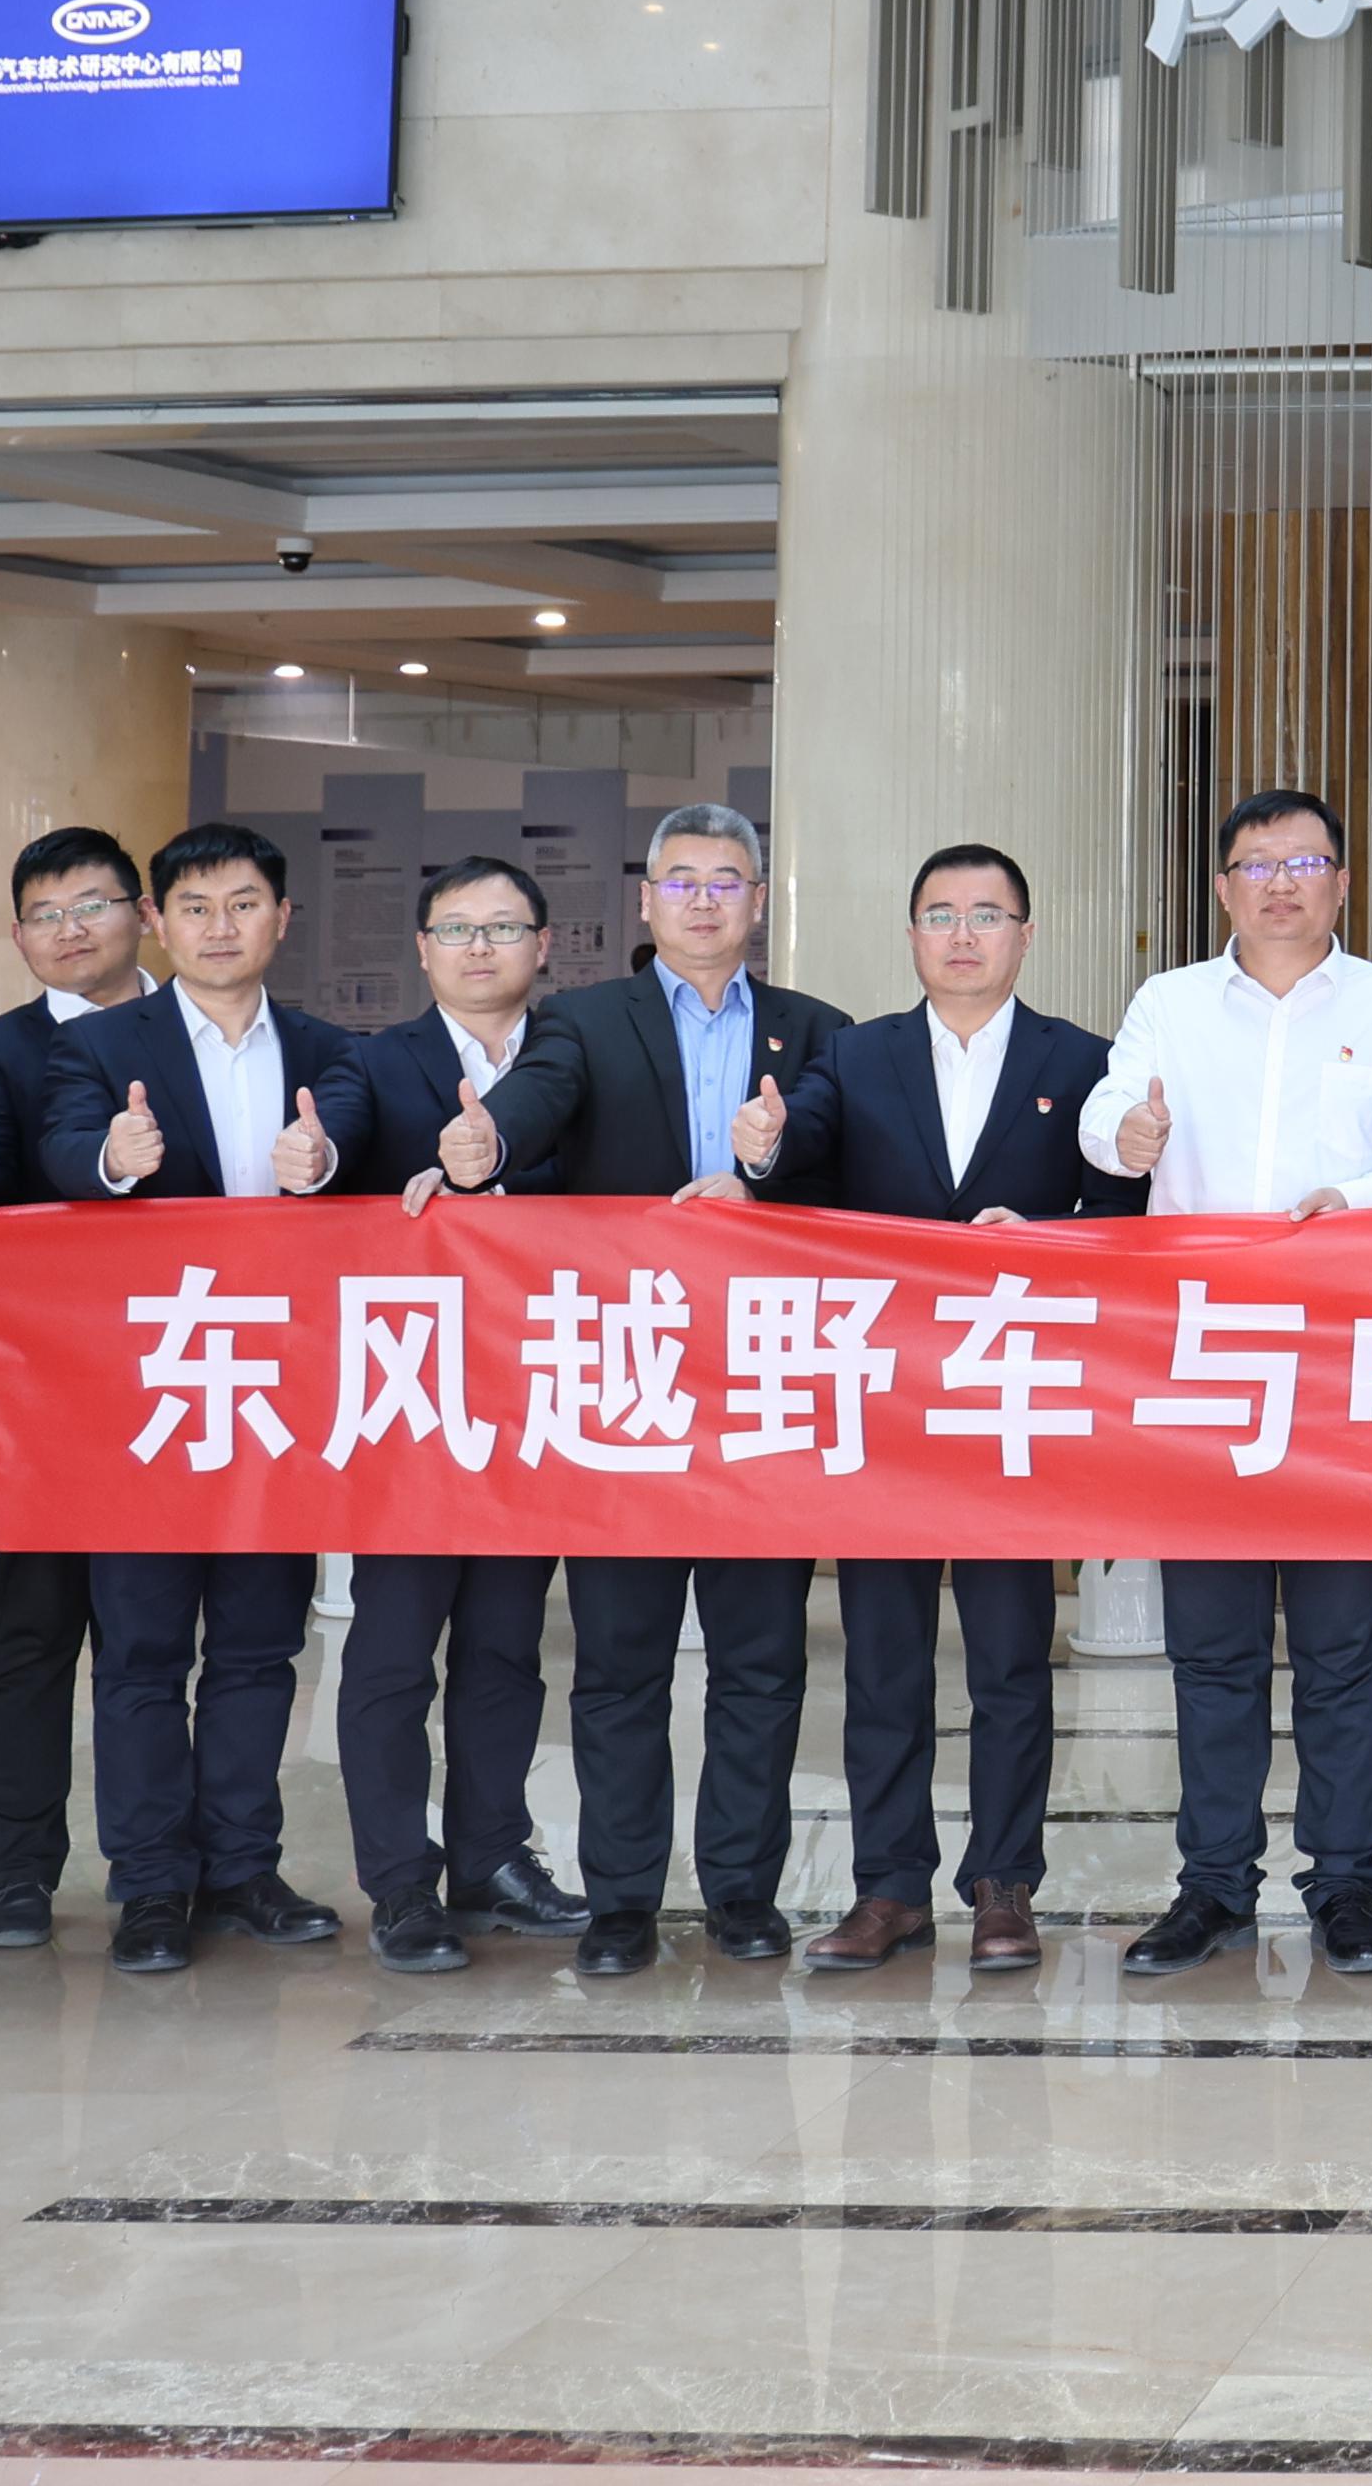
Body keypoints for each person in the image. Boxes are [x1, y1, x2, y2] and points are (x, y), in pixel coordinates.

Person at [1087, 787, 1372, 1977]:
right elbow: (1110, 1106)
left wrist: (1356, 1199)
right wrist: (1124, 1138)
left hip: (1339, 1365)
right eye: (1256, 864)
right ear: (1222, 887)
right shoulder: (1168, 1004)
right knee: (1210, 1649)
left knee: (1341, 1646)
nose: (1280, 883)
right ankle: (1212, 1884)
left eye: (1305, 862)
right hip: (1204, 1363)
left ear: (1342, 882)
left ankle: (1346, 1885)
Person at [44, 820, 378, 1977]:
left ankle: (241, 1867)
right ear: (156, 922)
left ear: (282, 918)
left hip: (276, 1395)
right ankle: (149, 1883)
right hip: (148, 1392)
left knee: (258, 1643)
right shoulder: (99, 1047)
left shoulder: (331, 1052)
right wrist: (114, 1159)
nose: (220, 926)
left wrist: (320, 1166)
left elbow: (357, 1152)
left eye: (243, 903)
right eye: (194, 906)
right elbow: (60, 1151)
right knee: (140, 1649)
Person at [802, 842, 1140, 1978]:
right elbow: (801, 1168)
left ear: (1025, 936)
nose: (962, 933)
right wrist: (760, 1155)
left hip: (1012, 1403)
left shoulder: (1079, 1059)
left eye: (987, 914)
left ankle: (1004, 1884)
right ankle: (888, 1887)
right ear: (911, 935)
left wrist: (1045, 1238)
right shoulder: (854, 1054)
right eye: (940, 913)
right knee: (884, 1662)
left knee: (1009, 1660)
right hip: (886, 1407)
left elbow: (1121, 1212)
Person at [533, 801, 855, 1979]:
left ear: (758, 901)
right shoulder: (577, 1021)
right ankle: (621, 1898)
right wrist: (481, 1151)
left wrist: (762, 1181)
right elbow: (532, 1117)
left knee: (760, 1660)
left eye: (727, 880)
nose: (704, 900)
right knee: (619, 1660)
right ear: (646, 899)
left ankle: (741, 1890)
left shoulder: (820, 1032)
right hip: (630, 1384)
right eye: (682, 879)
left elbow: (851, 1174)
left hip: (765, 1386)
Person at [328, 857, 595, 1971]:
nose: (479, 947)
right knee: (394, 1650)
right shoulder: (371, 1062)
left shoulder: (579, 1055)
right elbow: (332, 1159)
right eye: (456, 928)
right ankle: (401, 1882)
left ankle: (491, 1857)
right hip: (412, 1400)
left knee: (505, 1646)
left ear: (544, 944)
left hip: (535, 1394)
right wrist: (313, 1162)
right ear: (422, 947)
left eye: (502, 927)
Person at [0, 821, 146, 1953]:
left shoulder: (204, 1030)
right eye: (45, 916)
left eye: (92, 905)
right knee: (31, 1635)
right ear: (19, 938)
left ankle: (160, 1870)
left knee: (155, 1646)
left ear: (141, 915)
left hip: (194, 1383)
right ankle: (18, 1871)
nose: (70, 931)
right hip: (53, 1400)